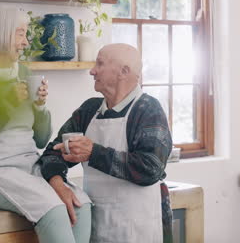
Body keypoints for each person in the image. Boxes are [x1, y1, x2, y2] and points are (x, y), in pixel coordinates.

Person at [0, 7, 92, 243]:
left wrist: (39, 107)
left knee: (80, 204)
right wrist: (6, 104)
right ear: (0, 33)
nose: (25, 43)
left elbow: (41, 140)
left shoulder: (23, 73)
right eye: (20, 34)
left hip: (24, 165)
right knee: (53, 210)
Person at [39, 43, 173, 243]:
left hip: (137, 230)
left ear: (123, 72)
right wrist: (58, 184)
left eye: (99, 64)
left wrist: (93, 153)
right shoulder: (89, 110)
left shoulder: (148, 109)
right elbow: (52, 153)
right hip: (97, 226)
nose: (92, 71)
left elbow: (151, 168)